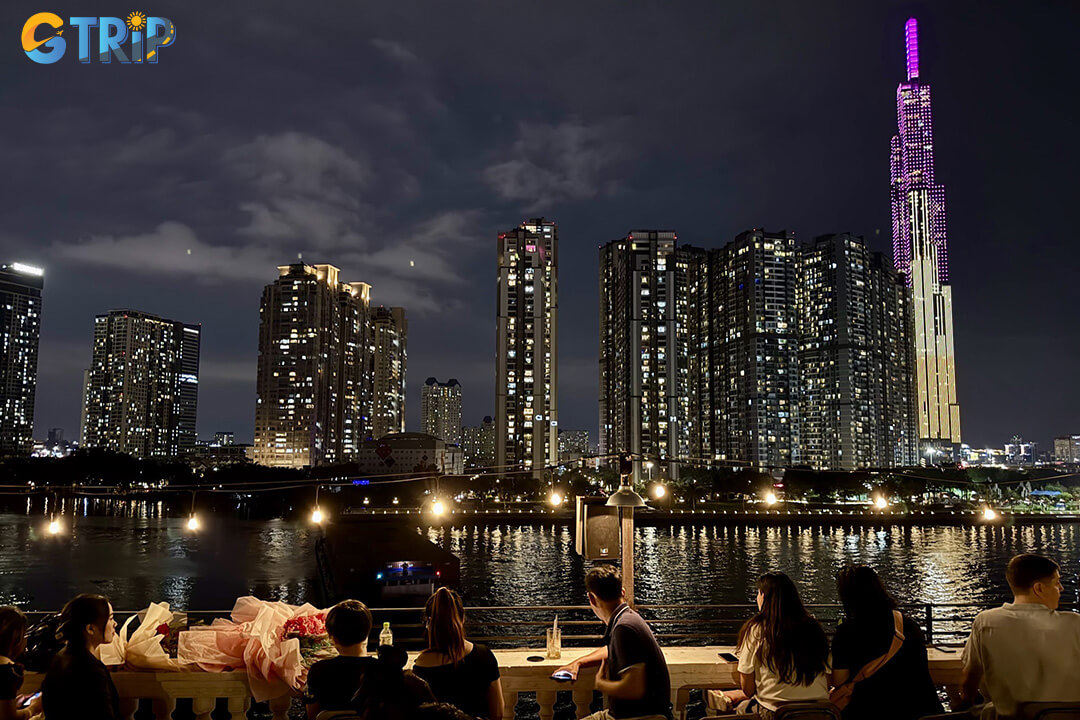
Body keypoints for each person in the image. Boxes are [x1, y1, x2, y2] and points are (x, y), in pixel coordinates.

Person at [960, 553, 1080, 719]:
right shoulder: (1075, 623)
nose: (1061, 589)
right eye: (1056, 583)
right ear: (1038, 588)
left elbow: (970, 677)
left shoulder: (986, 621)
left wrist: (965, 703)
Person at [552, 565, 671, 720]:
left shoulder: (624, 627)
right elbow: (612, 649)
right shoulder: (627, 619)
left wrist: (601, 684)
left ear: (592, 598)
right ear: (622, 592)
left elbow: (634, 688)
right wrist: (578, 663)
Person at [830, 565, 942, 720]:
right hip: (920, 709)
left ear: (847, 596)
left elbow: (839, 680)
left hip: (870, 709)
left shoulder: (846, 633)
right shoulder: (907, 625)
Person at [721, 572, 830, 719]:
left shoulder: (757, 629)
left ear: (764, 596)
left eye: (759, 593)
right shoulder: (814, 628)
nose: (756, 598)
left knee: (740, 709)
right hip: (821, 712)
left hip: (776, 712)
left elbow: (747, 688)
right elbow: (828, 675)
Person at [412, 588, 504, 720]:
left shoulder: (420, 669)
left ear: (428, 624)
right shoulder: (483, 656)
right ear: (462, 618)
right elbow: (498, 713)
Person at [40, 594, 120, 720]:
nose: (115, 623)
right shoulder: (91, 670)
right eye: (110, 619)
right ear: (90, 628)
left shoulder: (61, 657)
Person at [304, 599, 378, 719]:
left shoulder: (319, 671)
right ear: (367, 633)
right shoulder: (382, 669)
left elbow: (313, 716)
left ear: (333, 638)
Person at [1, 606, 39, 720]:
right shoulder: (7, 671)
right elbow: (7, 717)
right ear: (16, 638)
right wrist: (32, 709)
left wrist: (12, 702)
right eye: (24, 635)